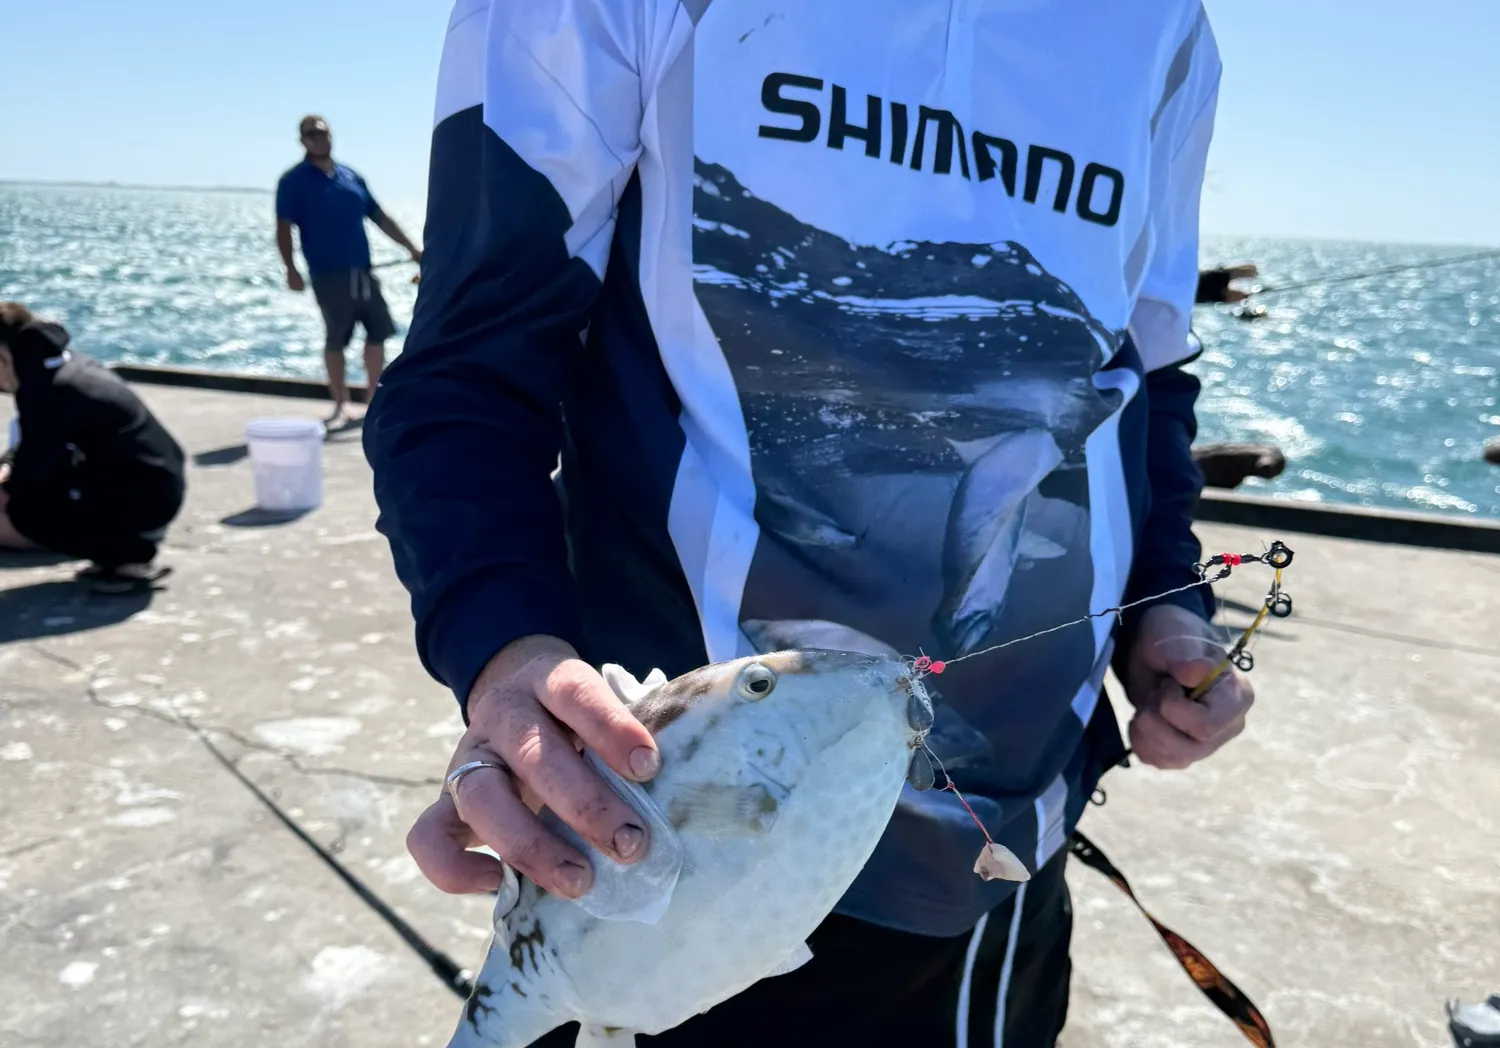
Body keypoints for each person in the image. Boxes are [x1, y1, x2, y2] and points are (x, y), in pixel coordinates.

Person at [365, 5, 1257, 1046]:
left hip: (1004, 837)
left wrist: (1167, 600)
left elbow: (1140, 372)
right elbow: (467, 365)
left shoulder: (1167, 29)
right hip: (684, 842)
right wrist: (503, 650)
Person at [0, 302, 186, 592]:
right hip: (156, 483)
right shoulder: (61, 365)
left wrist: (9, 483)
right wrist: (8, 467)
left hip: (146, 500)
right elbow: (36, 444)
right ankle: (120, 550)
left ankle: (127, 557)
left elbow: (35, 472)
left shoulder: (46, 390)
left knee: (23, 510)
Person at [275, 114, 422, 426]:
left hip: (364, 272)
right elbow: (284, 228)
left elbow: (379, 216)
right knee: (336, 338)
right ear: (302, 141)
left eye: (323, 133)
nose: (319, 138)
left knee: (378, 331)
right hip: (329, 275)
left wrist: (411, 249)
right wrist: (291, 268)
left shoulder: (351, 177)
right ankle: (340, 403)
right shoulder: (293, 182)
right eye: (312, 134)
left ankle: (373, 397)